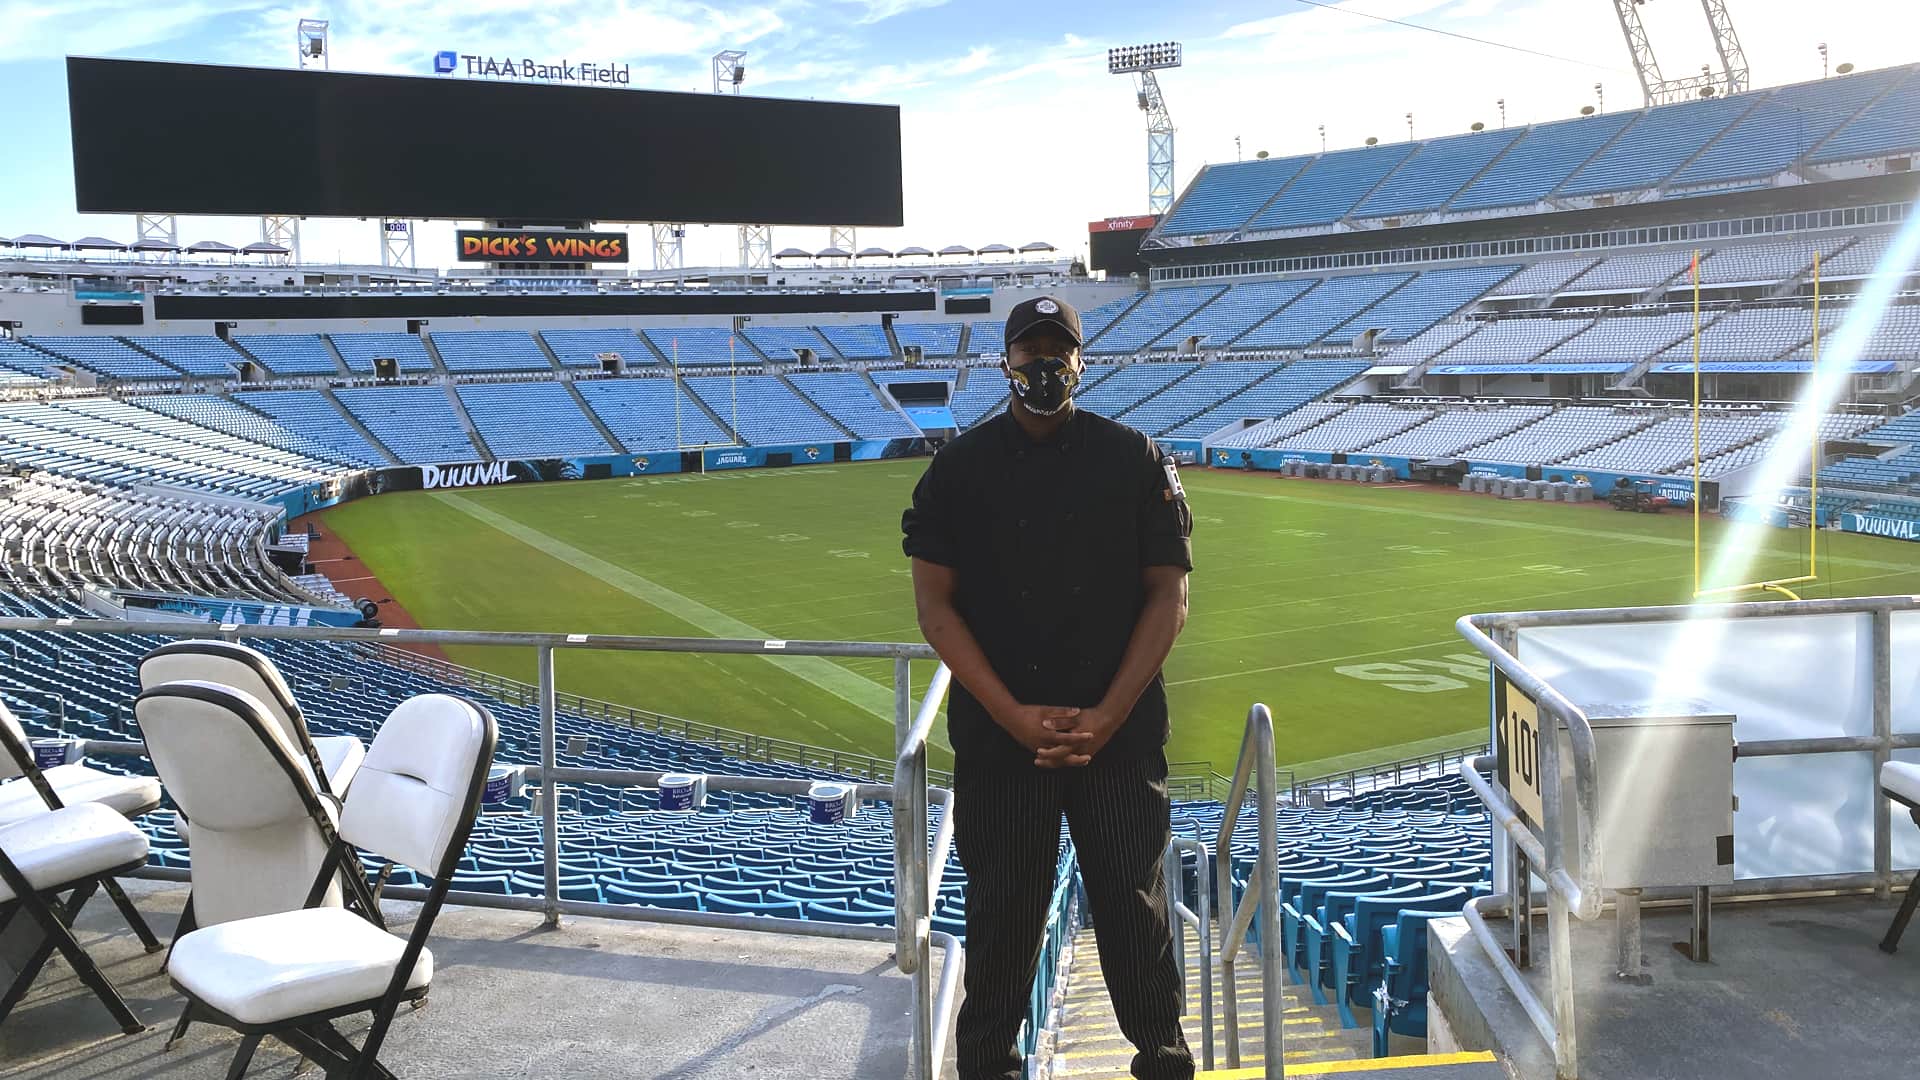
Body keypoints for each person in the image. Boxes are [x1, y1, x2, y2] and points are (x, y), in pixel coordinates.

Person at [901, 295, 1195, 1080]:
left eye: (1056, 353)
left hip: (1120, 739)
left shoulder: (1133, 457)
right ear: (1004, 364)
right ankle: (988, 1065)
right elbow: (934, 608)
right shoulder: (959, 468)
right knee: (1002, 919)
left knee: (1136, 915)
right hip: (1004, 745)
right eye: (1029, 353)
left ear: (1080, 362)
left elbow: (1170, 595)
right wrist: (1013, 715)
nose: (1043, 367)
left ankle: (1164, 1062)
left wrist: (1105, 717)